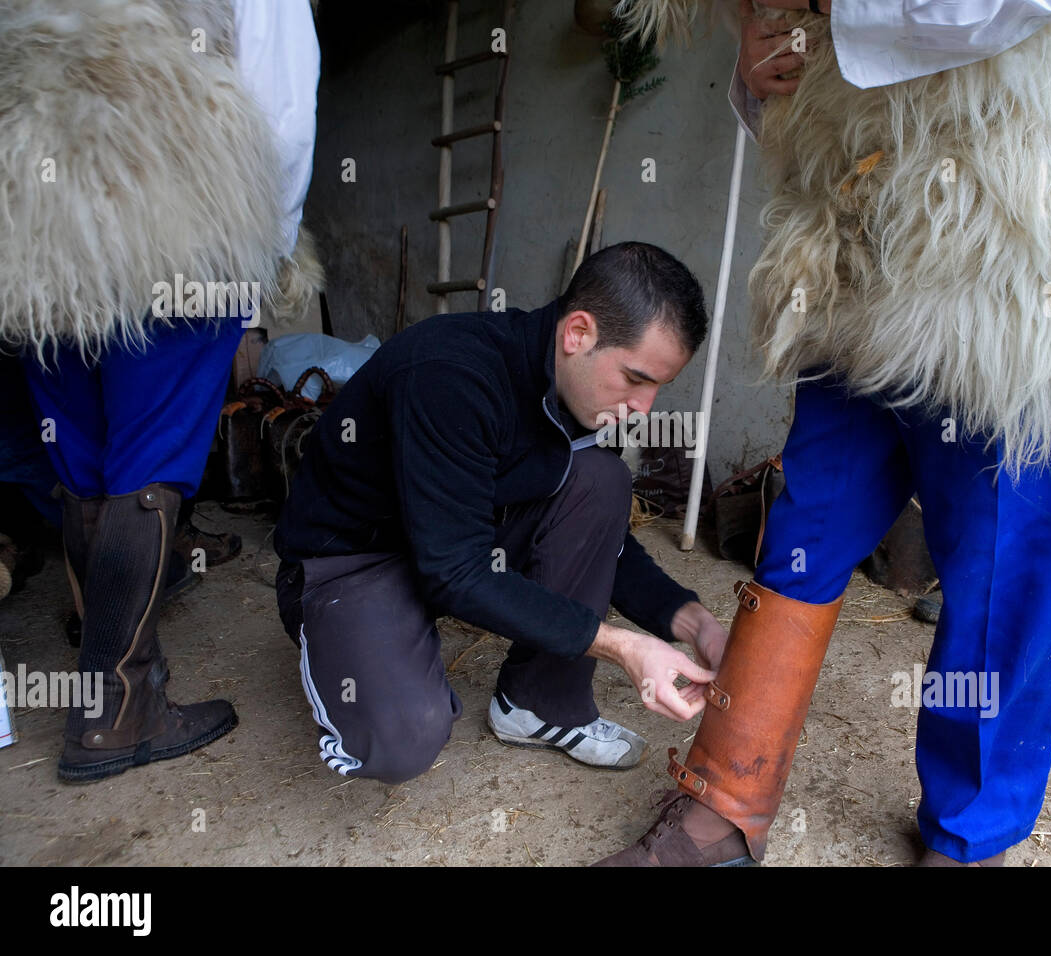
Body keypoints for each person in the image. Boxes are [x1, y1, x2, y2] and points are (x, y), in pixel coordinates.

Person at [597, 0, 1051, 866]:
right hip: (851, 241)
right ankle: (726, 800)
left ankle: (969, 835)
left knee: (1000, 566)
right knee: (806, 527)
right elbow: (791, 69)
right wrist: (759, 44)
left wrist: (828, 11)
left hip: (1005, 241)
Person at [1, 0, 320, 781]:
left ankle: (107, 689)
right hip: (172, 203)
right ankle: (120, 714)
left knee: (80, 459)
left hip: (28, 216)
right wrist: (262, 258)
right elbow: (282, 110)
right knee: (151, 458)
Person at [272, 242, 730, 784]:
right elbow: (455, 572)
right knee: (404, 738)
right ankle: (355, 646)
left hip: (456, 540)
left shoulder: (578, 392)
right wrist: (622, 646)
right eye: (636, 378)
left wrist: (692, 622)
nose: (644, 407)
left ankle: (539, 705)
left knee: (602, 481)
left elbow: (604, 544)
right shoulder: (450, 375)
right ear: (577, 332)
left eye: (658, 385)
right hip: (354, 562)